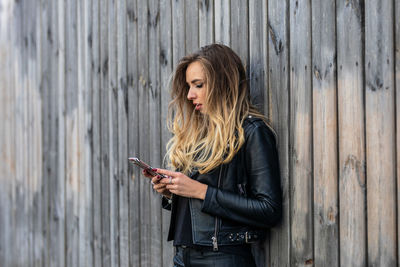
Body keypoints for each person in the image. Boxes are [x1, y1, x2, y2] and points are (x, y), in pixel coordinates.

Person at [142, 43, 282, 267]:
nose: (189, 95)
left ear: (223, 83)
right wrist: (172, 192)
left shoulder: (252, 132)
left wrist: (200, 191)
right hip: (182, 257)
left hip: (223, 258)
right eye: (189, 86)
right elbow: (197, 207)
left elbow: (268, 209)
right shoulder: (197, 135)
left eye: (198, 85)